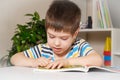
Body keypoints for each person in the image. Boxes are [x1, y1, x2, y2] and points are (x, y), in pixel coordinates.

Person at [10, 0, 103, 69]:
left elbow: (97, 60)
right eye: (51, 36)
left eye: (64, 38)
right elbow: (14, 58)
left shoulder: (79, 46)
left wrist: (67, 62)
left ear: (75, 34)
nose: (57, 43)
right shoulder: (43, 49)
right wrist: (33, 62)